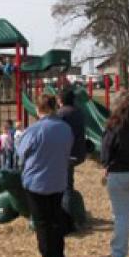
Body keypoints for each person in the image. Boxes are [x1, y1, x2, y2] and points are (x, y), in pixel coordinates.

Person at [17, 94, 73, 257]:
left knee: (42, 222)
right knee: (55, 218)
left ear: (38, 109)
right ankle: (59, 255)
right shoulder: (65, 128)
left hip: (37, 180)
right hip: (58, 178)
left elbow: (21, 152)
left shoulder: (34, 130)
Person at [99, 94, 129, 257]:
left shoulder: (114, 126)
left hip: (119, 173)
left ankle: (119, 256)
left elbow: (106, 151)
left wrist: (106, 165)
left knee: (121, 217)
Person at [56, 88, 87, 232]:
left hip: (66, 154)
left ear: (60, 100)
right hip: (78, 152)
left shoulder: (61, 113)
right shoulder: (79, 112)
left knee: (65, 188)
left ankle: (68, 222)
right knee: (68, 185)